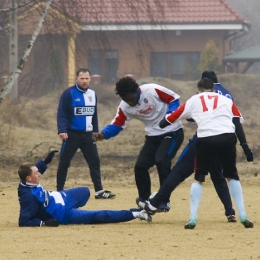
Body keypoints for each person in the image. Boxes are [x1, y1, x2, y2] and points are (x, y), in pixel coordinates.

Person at [138, 71, 253, 224]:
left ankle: (156, 204)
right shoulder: (226, 96)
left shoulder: (196, 98)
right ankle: (233, 212)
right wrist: (245, 146)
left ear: (200, 86)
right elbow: (237, 121)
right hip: (227, 137)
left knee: (182, 172)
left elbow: (174, 118)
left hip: (204, 138)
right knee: (223, 175)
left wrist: (161, 123)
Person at [94, 76, 184, 212]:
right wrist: (104, 134)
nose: (130, 102)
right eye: (126, 100)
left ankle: (164, 201)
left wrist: (170, 115)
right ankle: (145, 201)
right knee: (140, 166)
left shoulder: (152, 90)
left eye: (131, 98)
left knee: (162, 161)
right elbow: (118, 124)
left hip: (172, 132)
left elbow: (174, 99)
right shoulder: (125, 107)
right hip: (153, 136)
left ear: (137, 91)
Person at [18, 151, 152, 227]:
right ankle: (135, 213)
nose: (39, 174)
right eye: (37, 173)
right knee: (100, 215)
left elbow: (34, 170)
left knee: (85, 191)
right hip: (62, 214)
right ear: (29, 178)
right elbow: (24, 221)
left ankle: (79, 213)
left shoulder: (27, 181)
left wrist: (44, 162)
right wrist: (44, 223)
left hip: (61, 197)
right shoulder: (29, 197)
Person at [56, 68, 115, 199]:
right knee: (64, 162)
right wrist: (62, 130)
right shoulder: (68, 93)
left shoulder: (93, 94)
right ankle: (59, 191)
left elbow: (94, 115)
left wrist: (95, 131)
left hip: (88, 136)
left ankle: (99, 191)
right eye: (82, 78)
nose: (84, 81)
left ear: (90, 79)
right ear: (76, 79)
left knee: (94, 162)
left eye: (87, 78)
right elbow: (61, 114)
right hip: (72, 135)